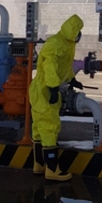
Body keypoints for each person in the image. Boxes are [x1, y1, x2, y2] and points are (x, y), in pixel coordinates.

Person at [29, 14, 84, 181]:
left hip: (42, 89)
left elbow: (64, 66)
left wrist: (71, 79)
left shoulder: (66, 43)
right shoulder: (56, 43)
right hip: (45, 89)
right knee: (49, 127)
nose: (79, 35)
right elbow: (50, 66)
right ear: (73, 31)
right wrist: (53, 89)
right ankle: (52, 170)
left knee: (39, 127)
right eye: (78, 32)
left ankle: (39, 165)